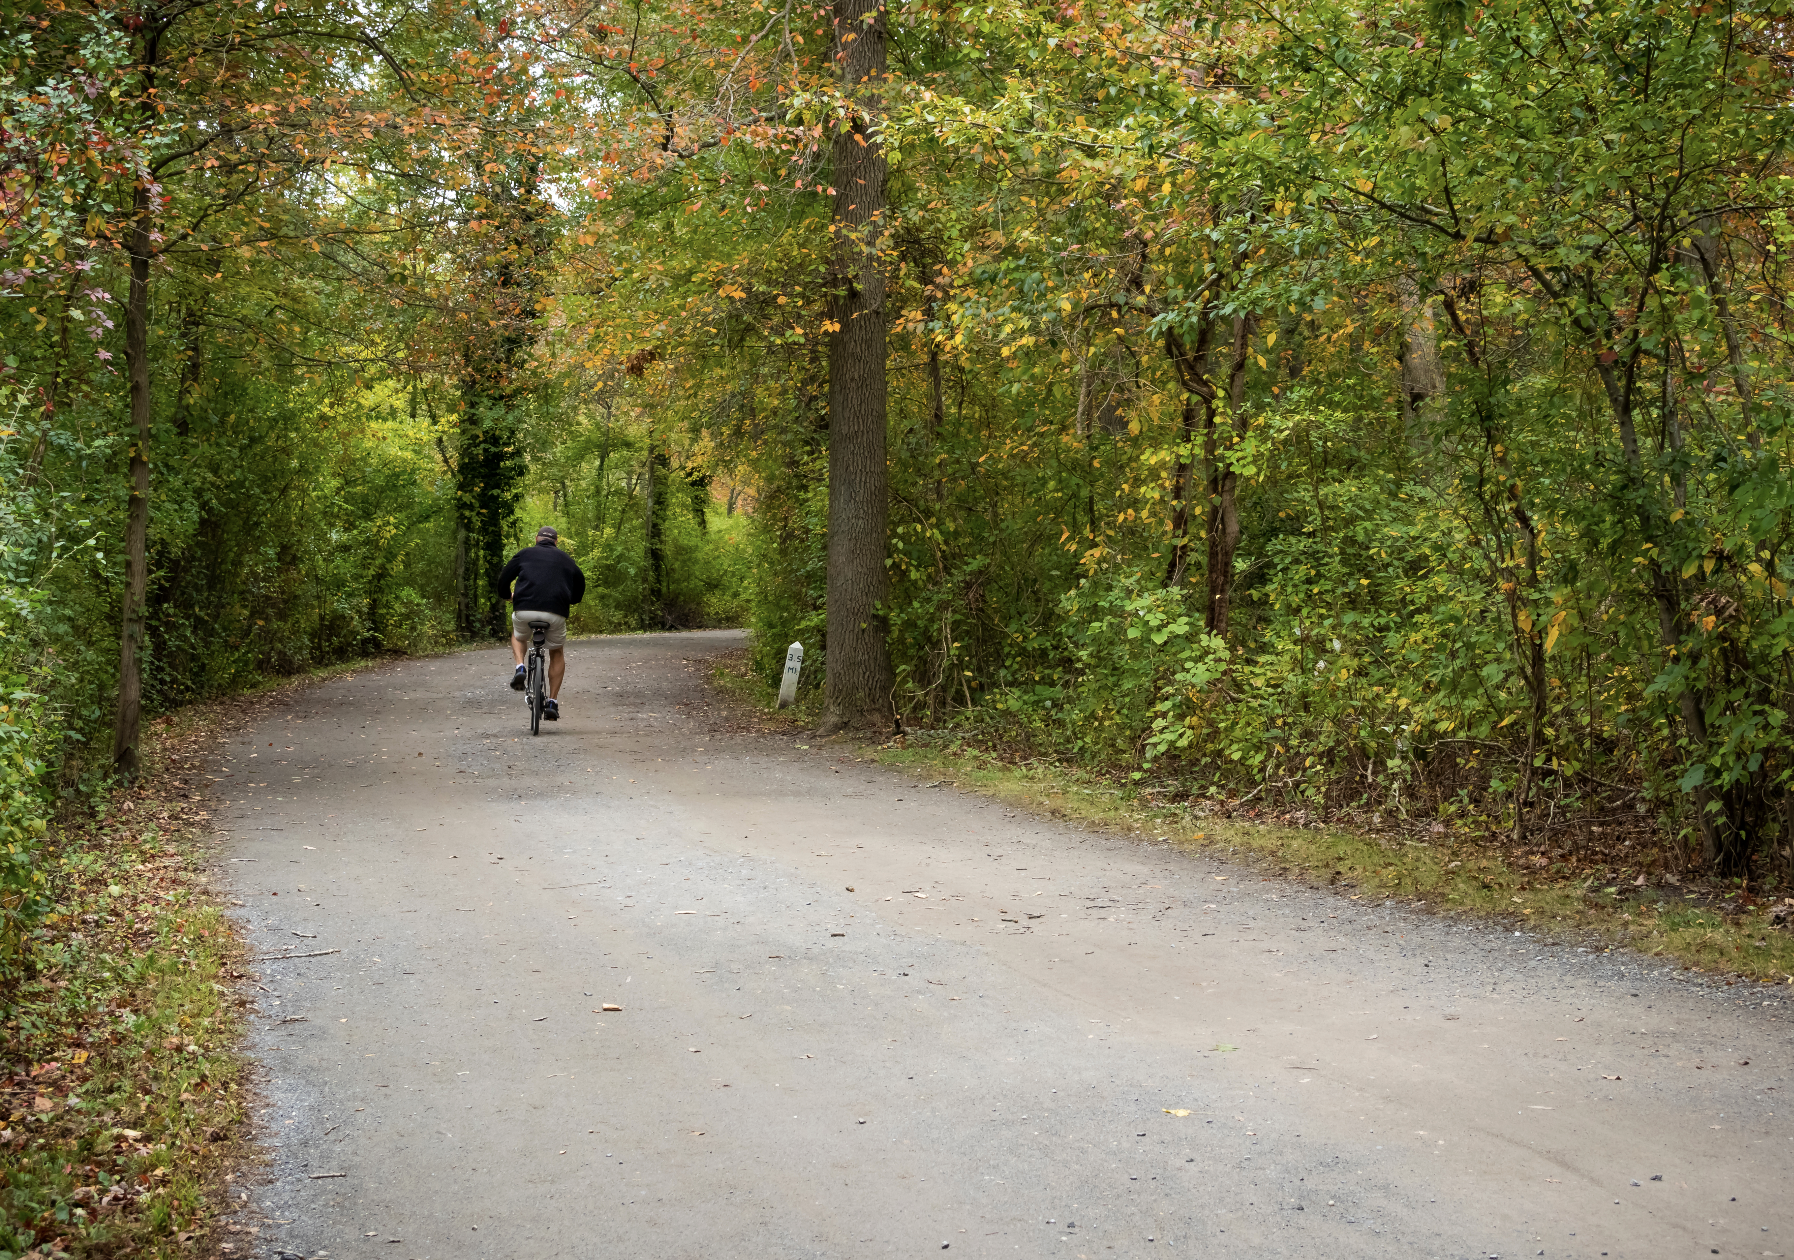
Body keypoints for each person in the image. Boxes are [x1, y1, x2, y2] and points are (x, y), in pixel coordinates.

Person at [496, 526, 586, 721]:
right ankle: (552, 702)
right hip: (555, 612)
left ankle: (520, 666)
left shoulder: (524, 554)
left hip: (524, 609)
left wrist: (507, 595)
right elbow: (580, 581)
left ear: (536, 538)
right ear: (556, 541)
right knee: (557, 651)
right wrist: (571, 599)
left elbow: (504, 578)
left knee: (519, 635)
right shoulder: (565, 559)